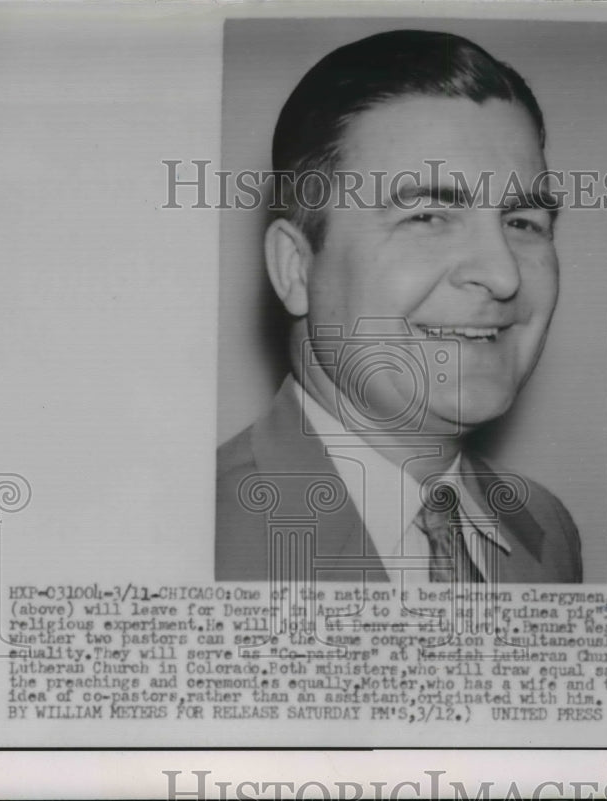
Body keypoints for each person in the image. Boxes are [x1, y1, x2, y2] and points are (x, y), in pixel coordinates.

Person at [216, 29, 582, 583]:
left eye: (522, 223)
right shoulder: (199, 538)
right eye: (426, 217)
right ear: (296, 267)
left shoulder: (546, 529)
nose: (502, 274)